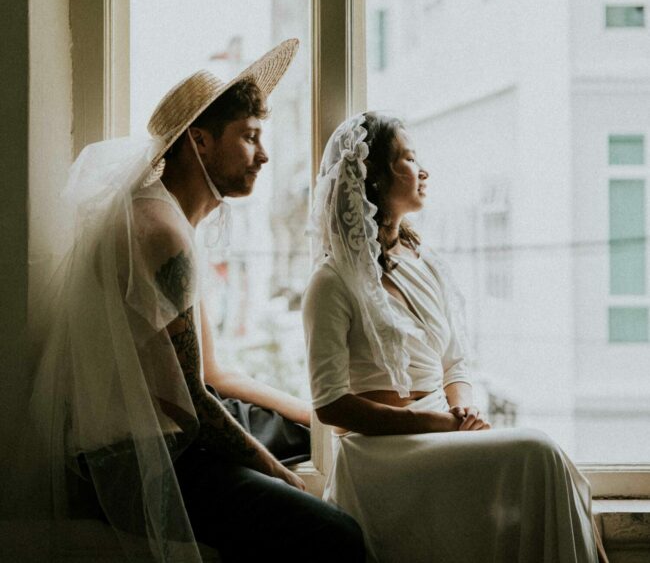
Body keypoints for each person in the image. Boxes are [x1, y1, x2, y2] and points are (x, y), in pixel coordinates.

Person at [13, 39, 364, 563]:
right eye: (249, 137)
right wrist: (284, 475)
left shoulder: (169, 220)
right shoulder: (160, 234)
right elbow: (193, 404)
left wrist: (316, 419)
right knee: (337, 536)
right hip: (140, 458)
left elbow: (215, 375)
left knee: (303, 436)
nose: (263, 154)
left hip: (170, 435)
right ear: (199, 142)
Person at [302, 111, 607, 563]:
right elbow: (330, 405)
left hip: (442, 435)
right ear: (376, 180)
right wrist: (438, 423)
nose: (423, 170)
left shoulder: (429, 263)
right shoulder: (331, 281)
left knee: (549, 462)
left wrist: (463, 408)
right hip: (381, 456)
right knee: (539, 451)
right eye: (407, 159)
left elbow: (455, 364)